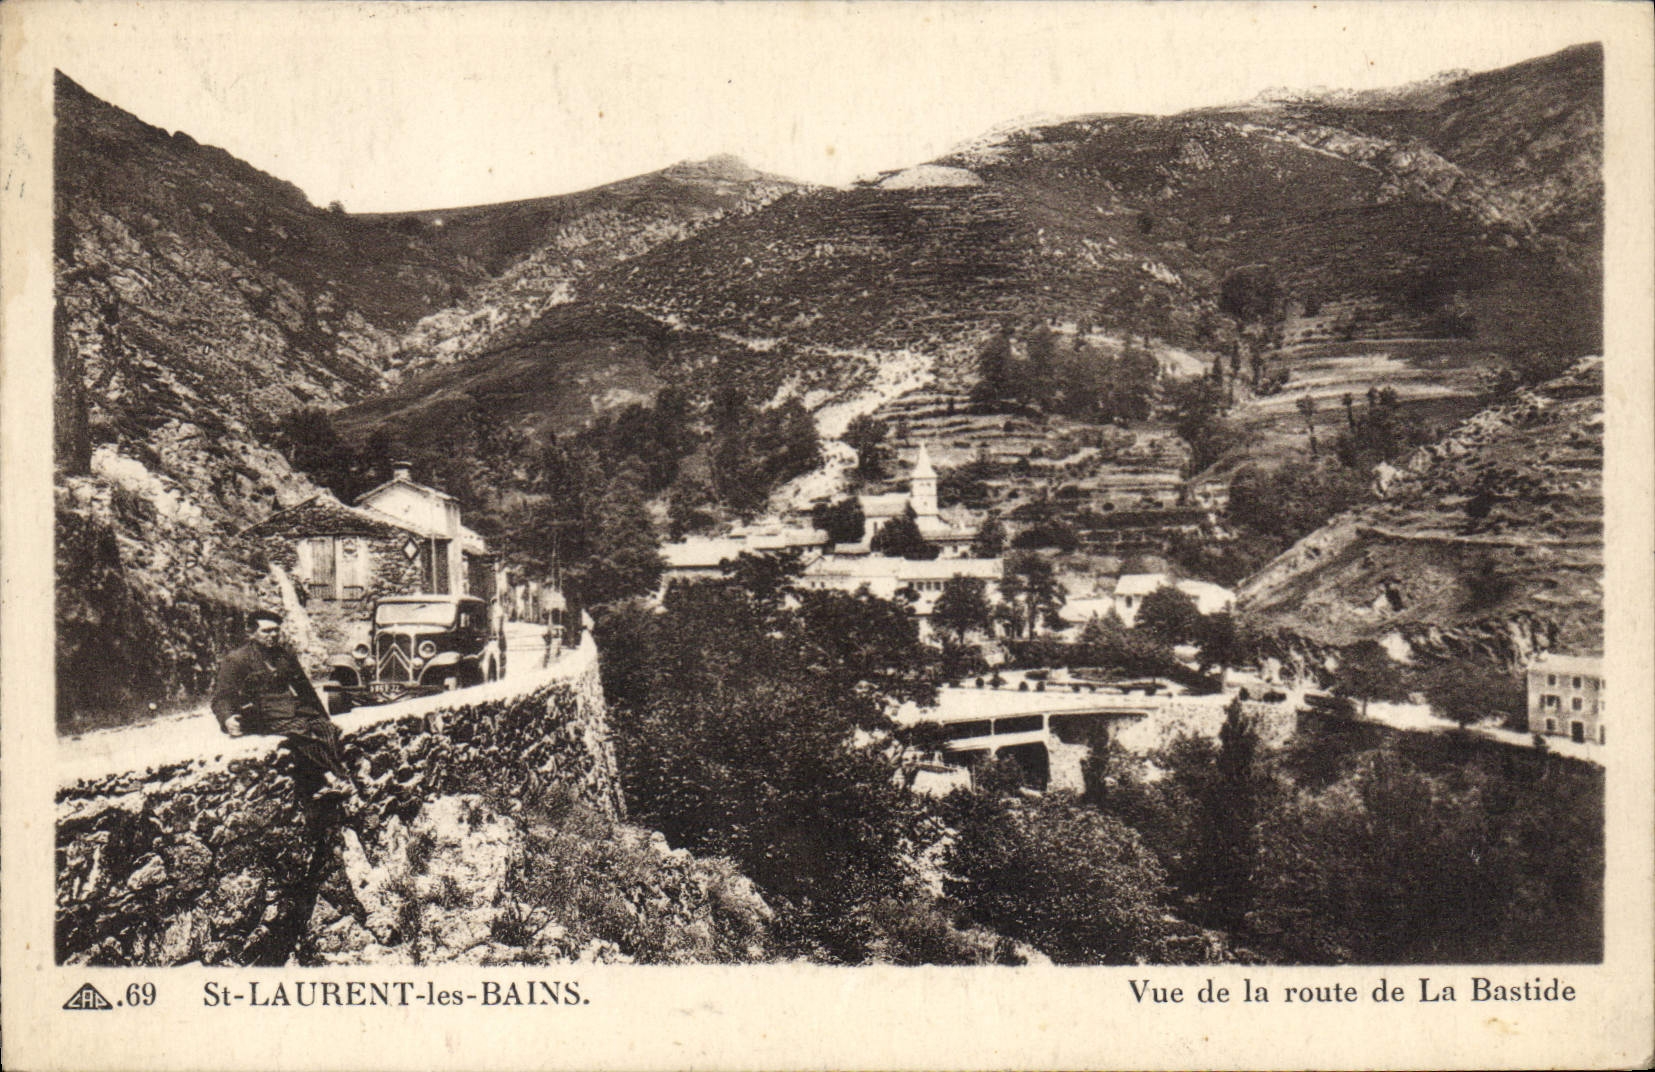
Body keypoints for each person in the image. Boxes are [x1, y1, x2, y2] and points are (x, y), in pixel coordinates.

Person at [211, 609, 353, 789]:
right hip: (259, 714)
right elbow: (222, 697)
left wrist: (322, 716)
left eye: (275, 630)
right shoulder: (236, 660)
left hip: (289, 711)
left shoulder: (285, 655)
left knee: (326, 728)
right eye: (266, 631)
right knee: (302, 732)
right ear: (252, 633)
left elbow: (305, 689)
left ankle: (332, 774)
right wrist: (227, 719)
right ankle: (335, 776)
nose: (272, 635)